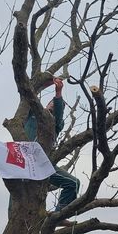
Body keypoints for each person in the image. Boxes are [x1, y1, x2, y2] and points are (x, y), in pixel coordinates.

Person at [25, 77, 80, 212]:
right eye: (51, 103)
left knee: (73, 183)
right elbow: (28, 98)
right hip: (25, 161)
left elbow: (59, 113)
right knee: (19, 198)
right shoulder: (31, 115)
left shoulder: (56, 124)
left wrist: (58, 93)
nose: (53, 106)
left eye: (57, 105)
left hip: (43, 163)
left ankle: (59, 214)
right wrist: (43, 85)